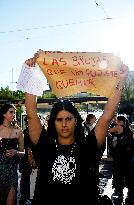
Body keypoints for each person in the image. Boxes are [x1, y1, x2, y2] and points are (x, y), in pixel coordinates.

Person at [22, 56, 128, 204]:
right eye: (59, 119)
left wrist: (121, 80)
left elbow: (106, 117)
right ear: (53, 122)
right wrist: (31, 75)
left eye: (68, 119)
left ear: (76, 120)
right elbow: (32, 114)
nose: (64, 124)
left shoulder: (87, 145)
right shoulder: (45, 145)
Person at [0, 103, 24, 205]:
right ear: (4, 114)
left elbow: (23, 153)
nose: (14, 114)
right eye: (11, 112)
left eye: (14, 112)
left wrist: (16, 152)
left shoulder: (18, 131)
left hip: (12, 173)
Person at [109, 115, 134, 203]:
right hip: (124, 156)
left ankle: (121, 193)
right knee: (125, 175)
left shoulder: (119, 128)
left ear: (122, 122)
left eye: (118, 121)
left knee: (120, 174)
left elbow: (106, 131)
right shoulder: (128, 131)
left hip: (123, 156)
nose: (116, 122)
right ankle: (128, 193)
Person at [19, 116, 37, 205]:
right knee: (25, 181)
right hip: (26, 162)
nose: (27, 123)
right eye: (26, 121)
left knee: (32, 181)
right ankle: (24, 197)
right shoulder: (25, 132)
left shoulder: (38, 132)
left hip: (34, 163)